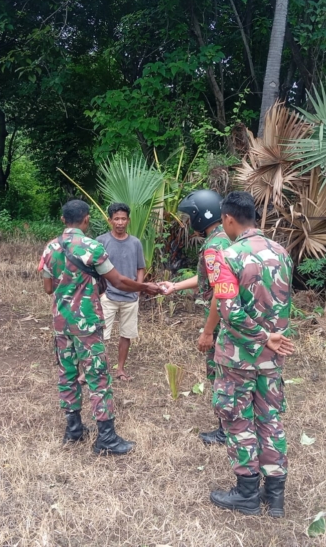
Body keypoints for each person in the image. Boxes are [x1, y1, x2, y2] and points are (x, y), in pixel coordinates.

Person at [38, 199, 160, 456]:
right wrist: (145, 287)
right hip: (86, 321)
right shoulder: (92, 247)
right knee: (97, 376)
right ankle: (106, 437)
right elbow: (118, 281)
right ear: (86, 220)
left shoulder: (49, 248)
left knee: (67, 373)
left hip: (61, 321)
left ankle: (73, 429)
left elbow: (48, 288)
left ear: (63, 220)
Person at [205, 191, 294, 517]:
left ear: (228, 219)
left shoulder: (227, 256)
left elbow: (229, 312)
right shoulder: (282, 253)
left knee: (239, 421)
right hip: (272, 359)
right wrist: (270, 339)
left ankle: (246, 494)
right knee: (270, 420)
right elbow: (282, 306)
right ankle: (276, 497)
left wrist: (260, 338)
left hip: (238, 359)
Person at [158, 189, 232, 445]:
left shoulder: (213, 248)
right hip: (235, 317)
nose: (189, 222)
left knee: (220, 373)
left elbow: (219, 293)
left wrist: (208, 331)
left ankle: (226, 429)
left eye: (191, 217)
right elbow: (209, 281)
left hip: (222, 321)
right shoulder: (228, 238)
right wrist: (175, 286)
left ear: (201, 216)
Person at [97, 203, 145, 382]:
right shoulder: (101, 241)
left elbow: (140, 267)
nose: (120, 222)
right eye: (116, 219)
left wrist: (138, 288)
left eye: (123, 219)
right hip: (108, 296)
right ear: (110, 220)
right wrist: (101, 293)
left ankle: (120, 369)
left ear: (128, 220)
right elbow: (93, 267)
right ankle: (93, 370)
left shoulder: (135, 243)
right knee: (100, 335)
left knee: (126, 334)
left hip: (130, 298)